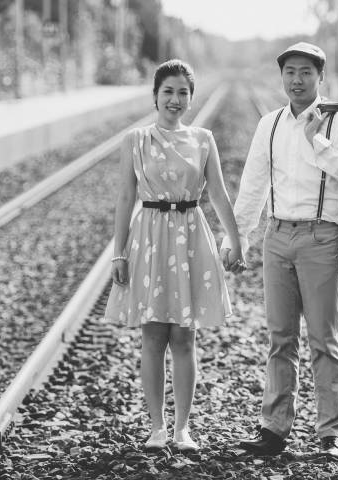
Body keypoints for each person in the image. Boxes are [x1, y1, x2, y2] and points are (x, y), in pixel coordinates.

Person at [222, 42, 338, 460]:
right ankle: (273, 430)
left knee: (324, 339)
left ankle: (330, 434)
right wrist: (239, 237)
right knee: (280, 339)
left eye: (305, 72)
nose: (297, 80)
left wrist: (317, 141)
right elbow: (252, 184)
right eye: (290, 73)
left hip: (321, 238)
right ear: (282, 77)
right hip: (278, 237)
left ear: (321, 77)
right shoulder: (269, 124)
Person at [103, 59, 245, 453]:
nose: (175, 99)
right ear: (155, 95)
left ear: (190, 97)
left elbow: (217, 194)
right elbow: (125, 198)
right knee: (152, 336)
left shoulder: (203, 139)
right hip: (148, 236)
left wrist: (235, 240)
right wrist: (118, 253)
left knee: (185, 337)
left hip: (190, 236)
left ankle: (182, 428)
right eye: (168, 91)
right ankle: (156, 427)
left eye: (183, 92)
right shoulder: (135, 140)